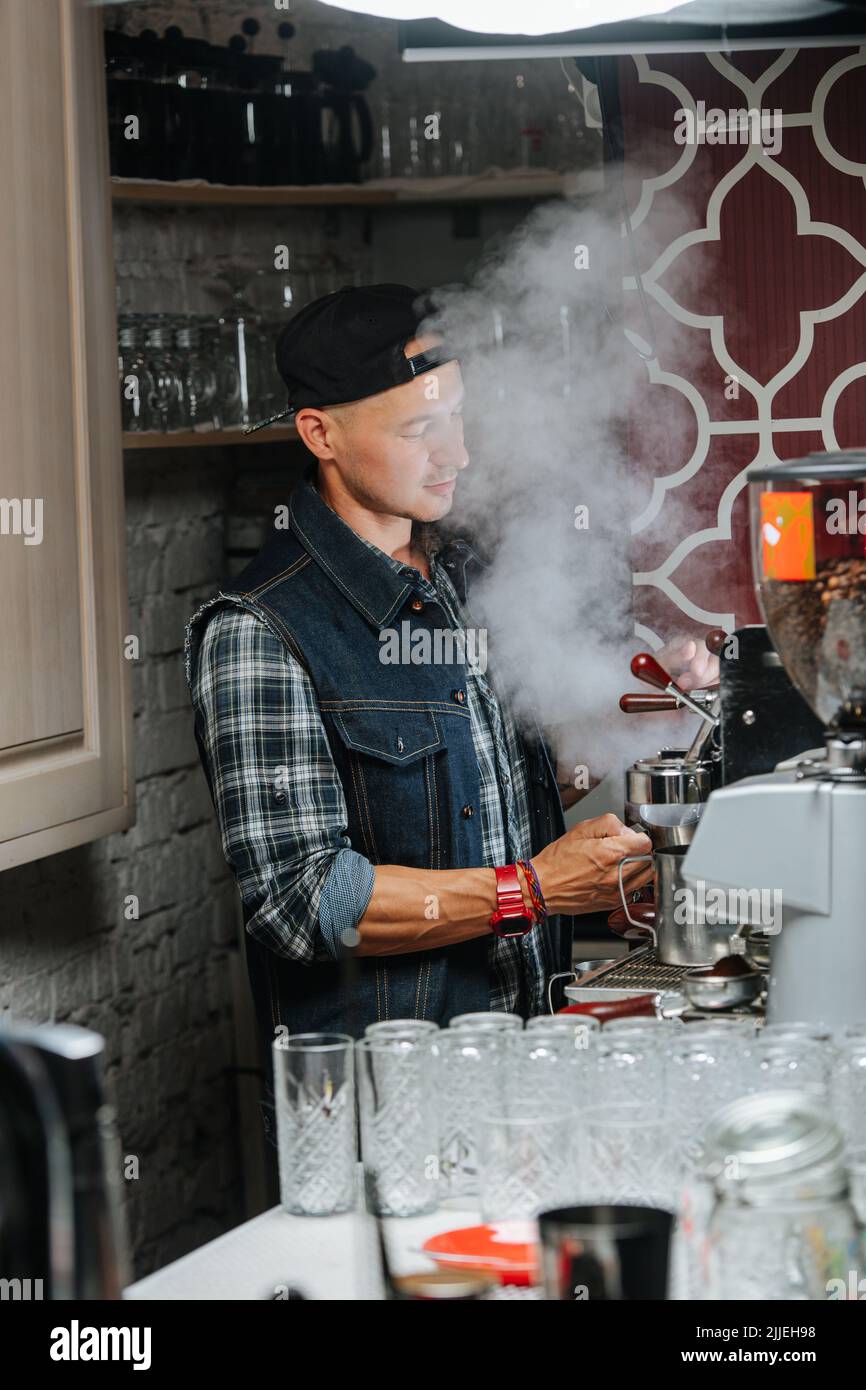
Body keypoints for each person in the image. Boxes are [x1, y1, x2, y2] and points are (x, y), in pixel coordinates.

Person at [184, 284, 707, 1146]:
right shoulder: (257, 630)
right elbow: (303, 898)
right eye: (420, 429)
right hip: (391, 1111)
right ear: (320, 433)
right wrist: (536, 889)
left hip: (525, 1068)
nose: (456, 454)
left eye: (459, 418)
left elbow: (494, 791)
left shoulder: (460, 577)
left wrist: (642, 717)